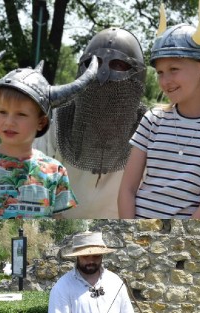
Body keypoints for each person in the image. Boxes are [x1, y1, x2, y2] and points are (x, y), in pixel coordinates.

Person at [118, 0, 200, 218]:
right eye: (160, 72)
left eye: (174, 69)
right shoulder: (153, 119)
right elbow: (127, 189)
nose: (165, 81)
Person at [0, 51, 98, 218]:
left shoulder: (55, 171)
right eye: (2, 112)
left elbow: (57, 221)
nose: (9, 122)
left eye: (21, 114)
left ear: (41, 122)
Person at [35, 27, 148, 218]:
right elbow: (36, 180)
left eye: (119, 65)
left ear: (136, 76)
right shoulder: (58, 119)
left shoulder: (149, 128)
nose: (103, 74)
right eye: (94, 63)